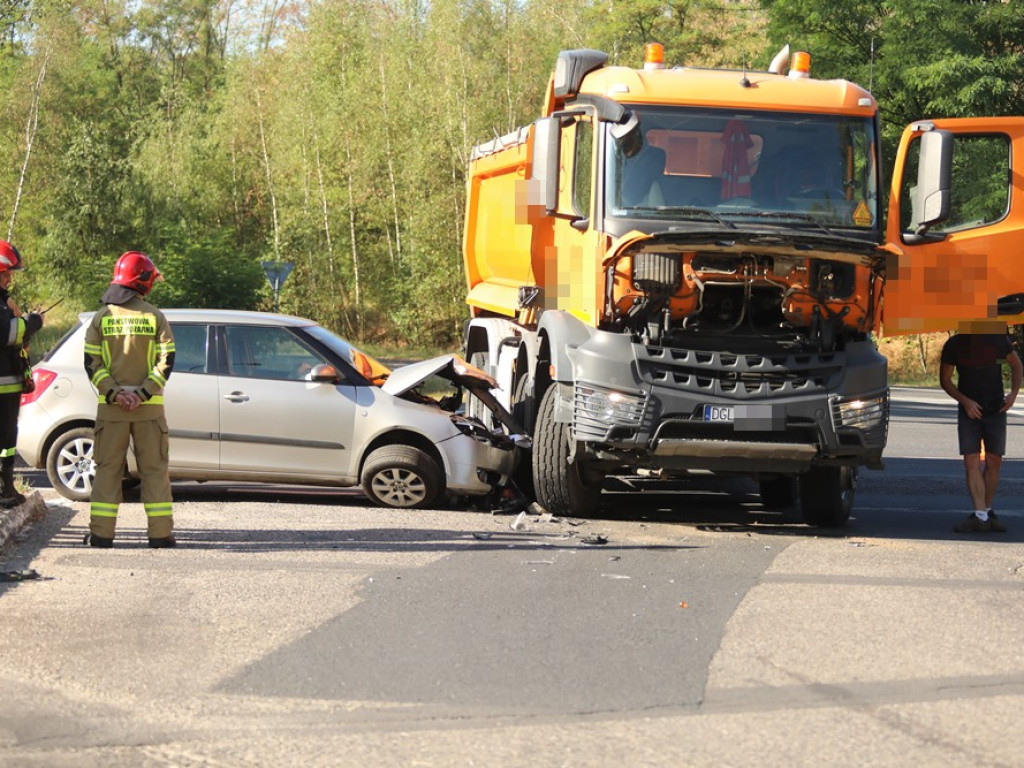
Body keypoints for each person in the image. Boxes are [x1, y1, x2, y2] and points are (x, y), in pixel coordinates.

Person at [84, 252, 176, 548]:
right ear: (144, 281)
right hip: (149, 411)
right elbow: (167, 361)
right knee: (154, 471)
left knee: (108, 470)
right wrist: (143, 393)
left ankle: (101, 535)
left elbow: (91, 364)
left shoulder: (101, 318)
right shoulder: (155, 317)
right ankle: (160, 535)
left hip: (111, 411)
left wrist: (115, 393)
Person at [939, 320, 1022, 533]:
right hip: (969, 409)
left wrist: (1013, 395)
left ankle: (985, 512)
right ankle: (981, 514)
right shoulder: (954, 344)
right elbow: (945, 380)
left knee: (994, 461)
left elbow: (1016, 366)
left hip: (996, 407)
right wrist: (965, 401)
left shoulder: (997, 341)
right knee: (972, 461)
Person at [0, 241, 42, 508]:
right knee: (3, 438)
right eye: (6, 273)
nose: (10, 278)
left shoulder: (4, 302)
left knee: (7, 441)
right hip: (2, 386)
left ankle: (6, 487)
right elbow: (7, 334)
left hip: (8, 385)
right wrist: (33, 323)